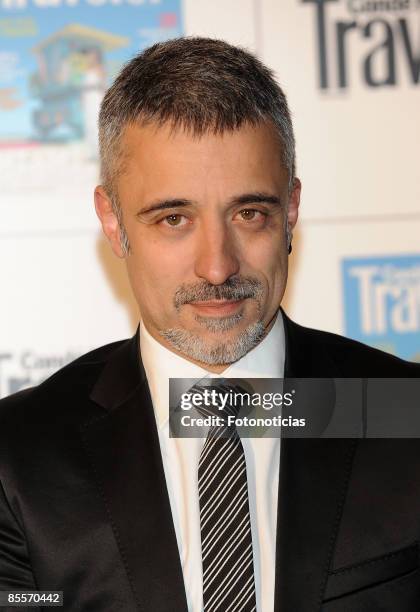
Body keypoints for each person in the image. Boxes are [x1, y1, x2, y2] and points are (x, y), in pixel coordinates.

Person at [0, 37, 419, 612]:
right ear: (113, 221)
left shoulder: (405, 414)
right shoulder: (18, 459)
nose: (217, 265)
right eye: (174, 218)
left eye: (250, 213)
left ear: (291, 209)